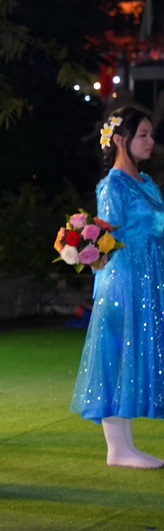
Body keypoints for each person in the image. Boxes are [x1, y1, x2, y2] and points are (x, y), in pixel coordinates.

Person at [71, 109, 164, 467]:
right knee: (116, 354)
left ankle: (125, 446)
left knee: (131, 354)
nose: (150, 141)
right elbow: (107, 239)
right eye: (143, 135)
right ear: (121, 140)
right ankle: (117, 448)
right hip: (125, 280)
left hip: (148, 277)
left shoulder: (145, 181)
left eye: (151, 134)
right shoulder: (113, 185)